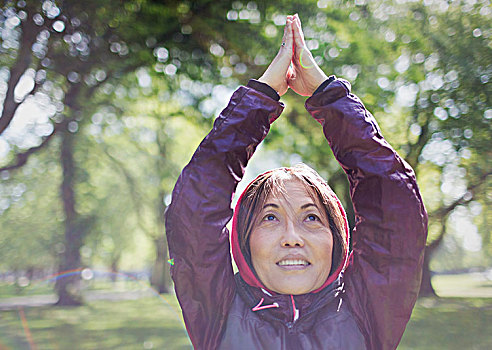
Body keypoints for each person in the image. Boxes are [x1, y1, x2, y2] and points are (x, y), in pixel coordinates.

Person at [165, 14, 428, 350]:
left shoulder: (367, 311)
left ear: (336, 238)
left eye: (312, 218)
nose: (292, 238)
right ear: (243, 240)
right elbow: (194, 209)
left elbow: (395, 207)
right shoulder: (219, 312)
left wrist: (330, 96)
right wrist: (259, 98)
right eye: (270, 217)